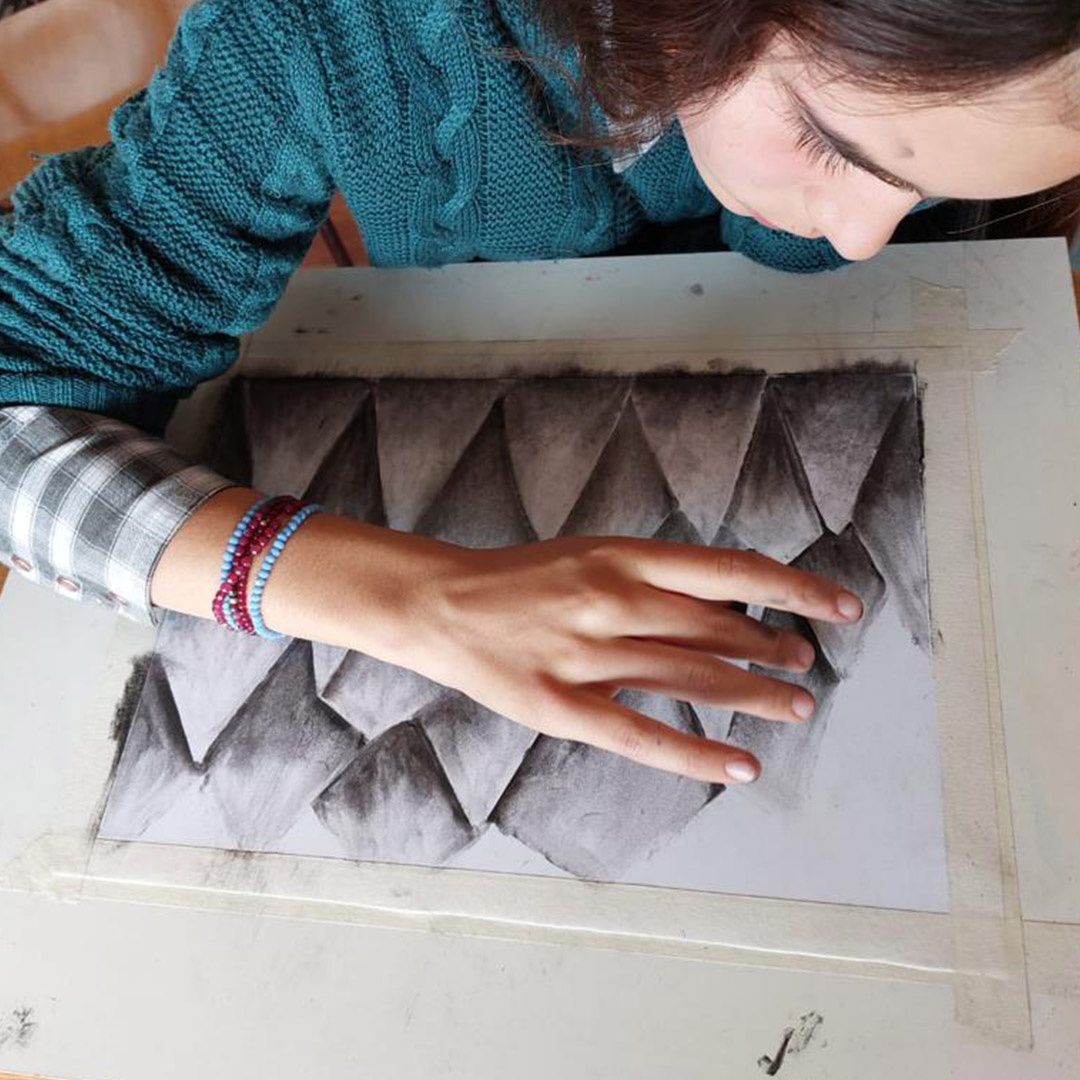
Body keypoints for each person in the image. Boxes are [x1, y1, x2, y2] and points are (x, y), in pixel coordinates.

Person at [1, 0, 1078, 786]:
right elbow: (17, 400)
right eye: (833, 146)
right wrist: (414, 599)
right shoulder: (322, 28)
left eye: (925, 186)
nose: (860, 236)